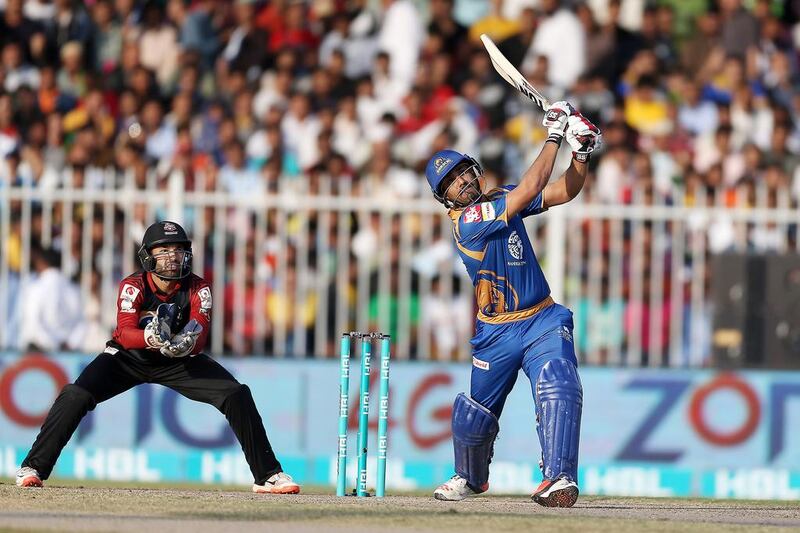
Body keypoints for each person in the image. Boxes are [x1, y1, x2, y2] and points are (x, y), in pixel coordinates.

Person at [15, 221, 300, 495]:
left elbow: (199, 334)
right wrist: (149, 338)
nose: (171, 257)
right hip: (127, 358)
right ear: (147, 257)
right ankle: (33, 467)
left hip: (177, 360)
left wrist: (187, 343)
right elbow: (125, 334)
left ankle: (268, 475)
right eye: (163, 251)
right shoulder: (133, 285)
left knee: (236, 394)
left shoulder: (199, 288)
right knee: (76, 394)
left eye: (177, 250)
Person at [424, 102, 600, 507]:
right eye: (451, 182)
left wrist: (581, 153)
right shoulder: (468, 223)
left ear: (475, 169)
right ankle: (470, 477)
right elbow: (531, 186)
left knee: (559, 382)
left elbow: (563, 190)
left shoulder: (502, 198)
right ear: (444, 198)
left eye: (463, 172)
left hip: (541, 318)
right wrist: (555, 134)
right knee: (474, 418)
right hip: (496, 332)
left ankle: (559, 478)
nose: (462, 182)